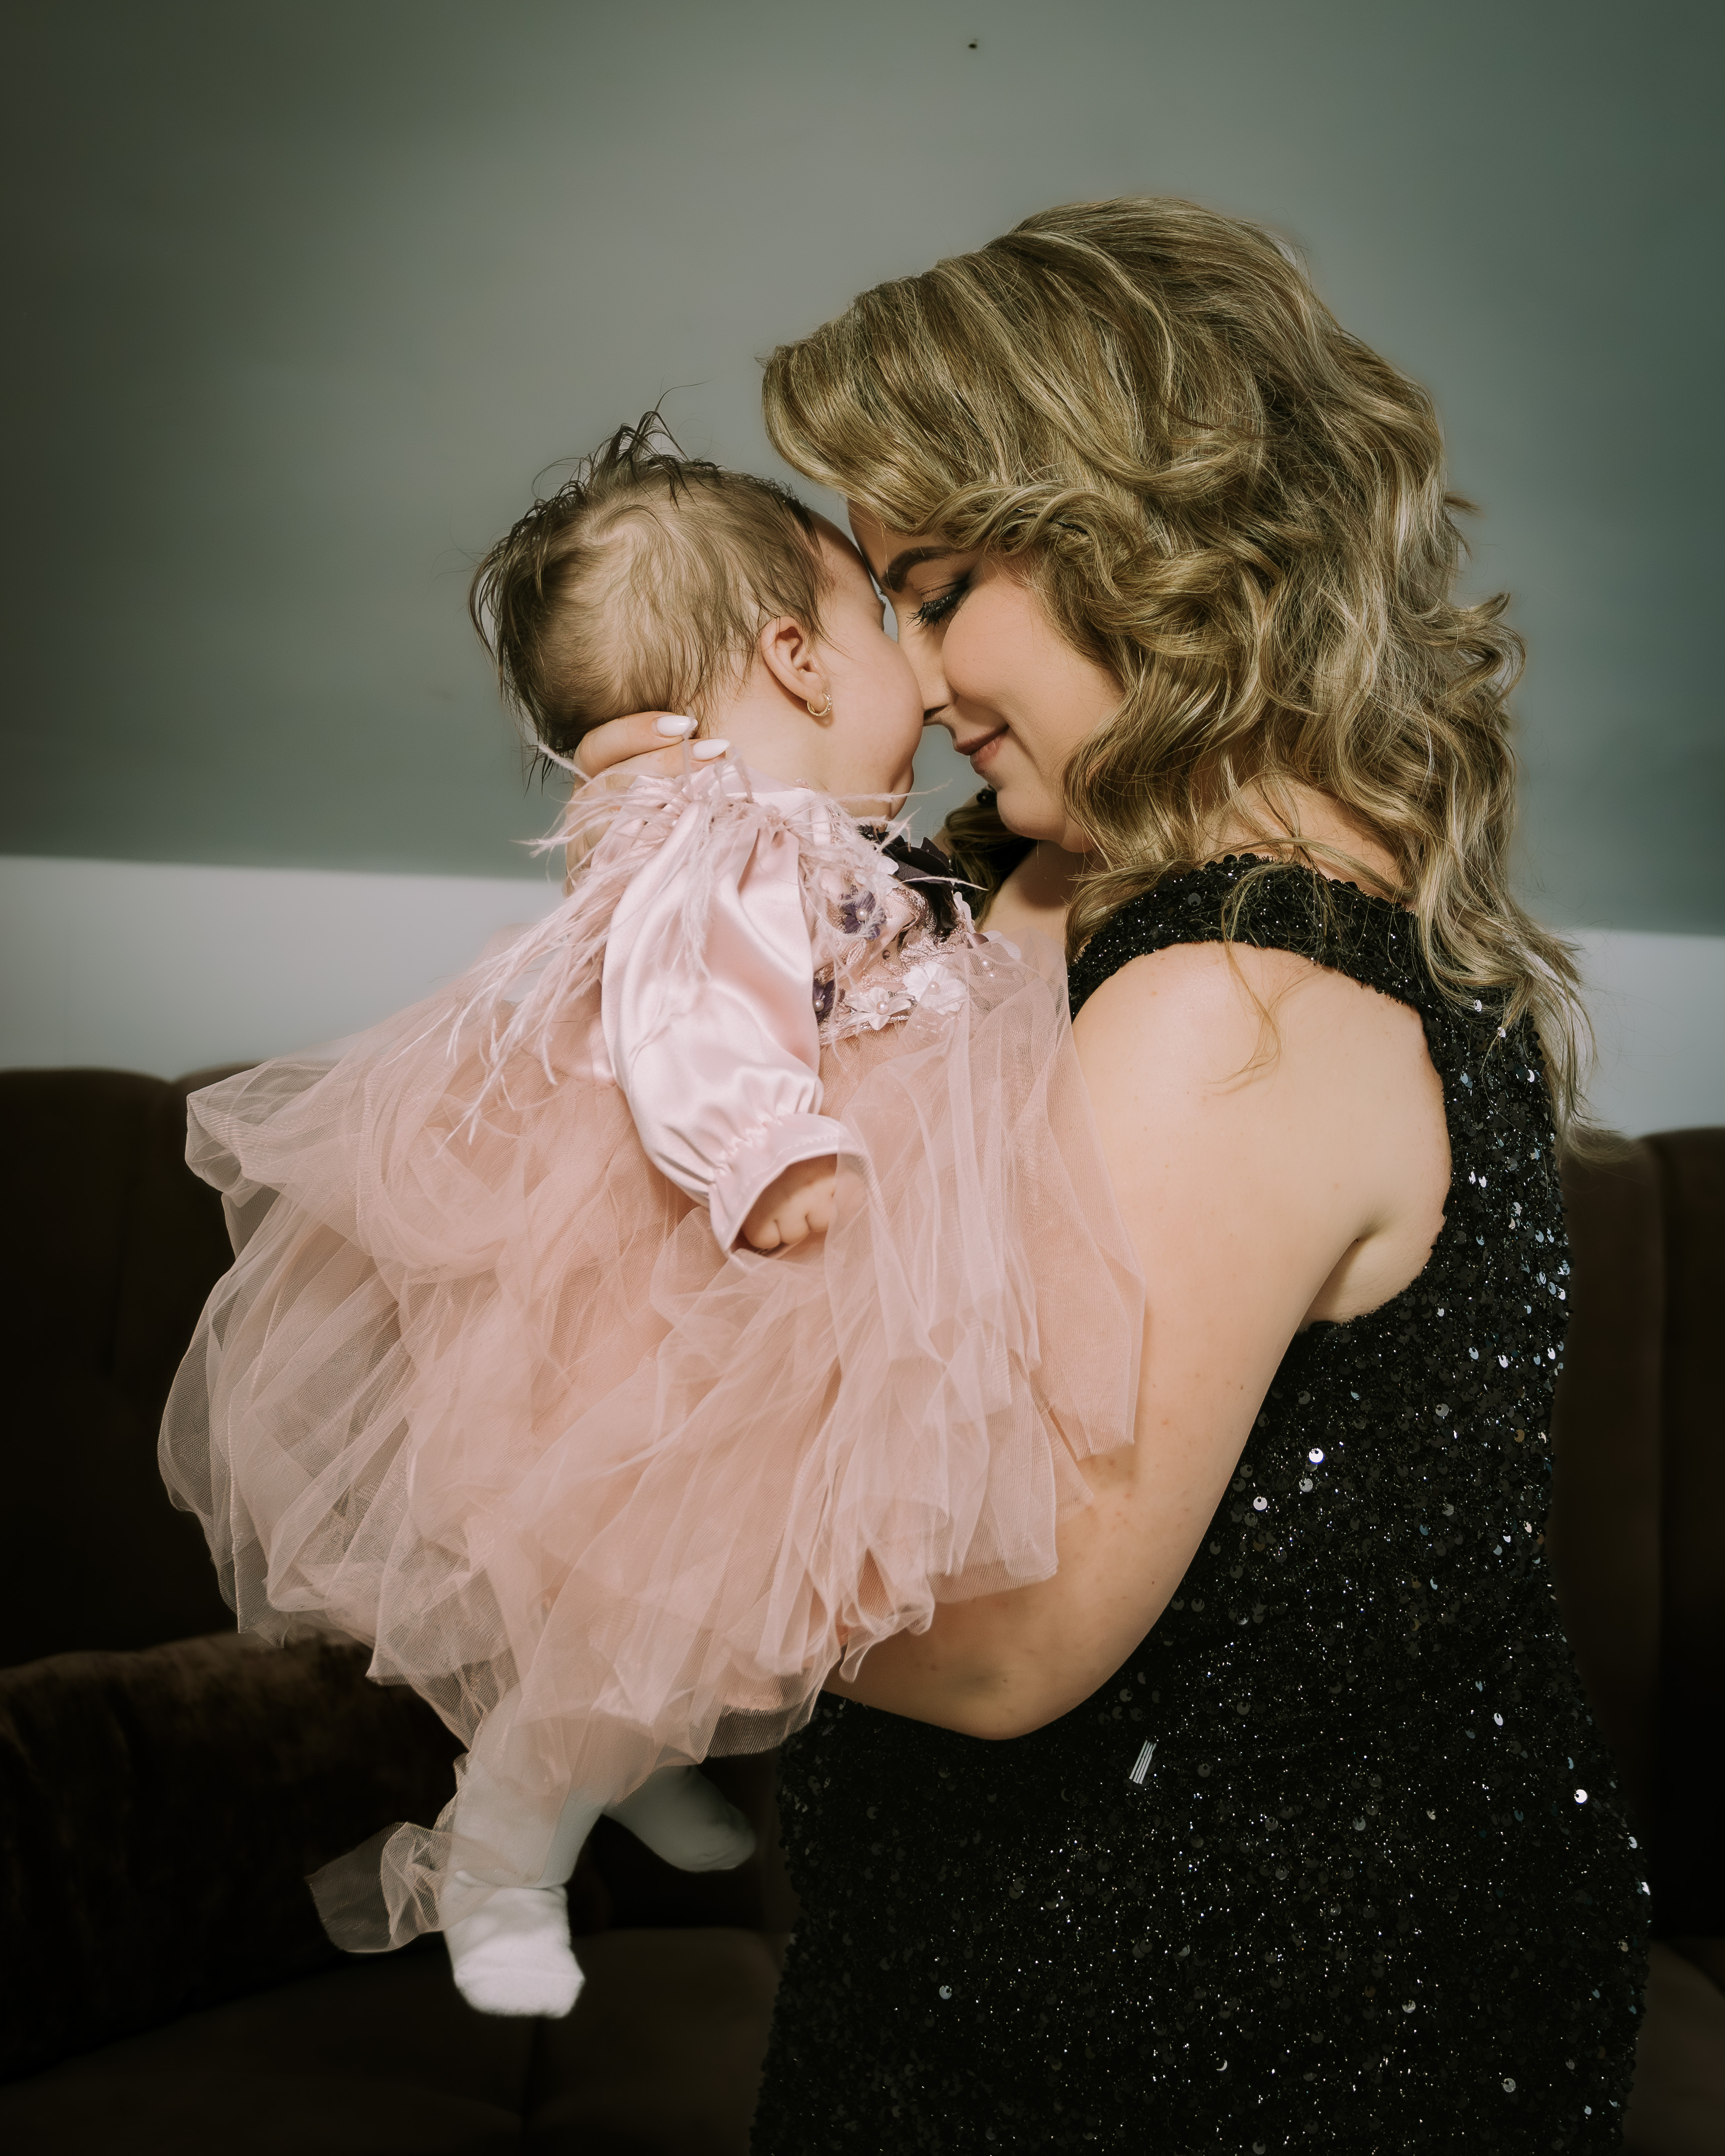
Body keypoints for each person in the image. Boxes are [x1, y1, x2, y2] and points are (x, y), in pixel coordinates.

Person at [582, 198, 1647, 2151]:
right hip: (955, 1962)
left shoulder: (1239, 996)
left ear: (1133, 526)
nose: (916, 669)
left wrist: (577, 1533)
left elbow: (1002, 1637)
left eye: (938, 586)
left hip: (1217, 2036)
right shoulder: (1039, 870)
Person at [158, 426, 1141, 2024]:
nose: (924, 673)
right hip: (719, 1261)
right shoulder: (728, 837)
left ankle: (627, 1760)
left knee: (700, 1586)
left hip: (771, 1265)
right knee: (661, 1586)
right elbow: (681, 1011)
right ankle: (500, 1855)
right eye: (886, 620)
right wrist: (767, 1156)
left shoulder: (770, 837)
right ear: (795, 659)